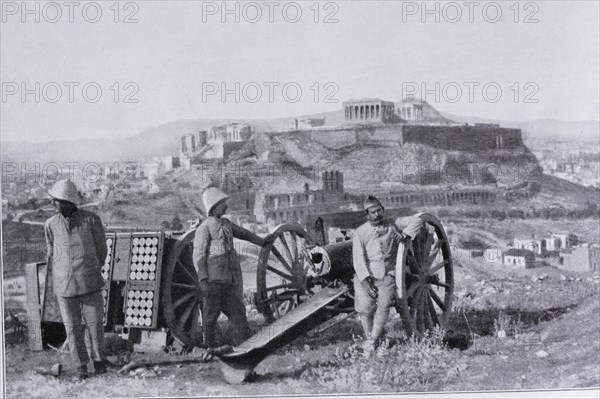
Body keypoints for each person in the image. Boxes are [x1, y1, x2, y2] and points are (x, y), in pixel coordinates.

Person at [193, 187, 272, 348]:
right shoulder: (204, 228)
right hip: (213, 282)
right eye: (223, 203)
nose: (226, 206)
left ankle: (247, 346)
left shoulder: (226, 224)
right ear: (215, 206)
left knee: (239, 313)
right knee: (210, 317)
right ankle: (210, 349)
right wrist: (203, 280)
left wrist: (262, 241)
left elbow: (244, 234)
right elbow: (199, 256)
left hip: (228, 281)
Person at [44, 179, 108, 379]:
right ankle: (81, 366)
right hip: (64, 286)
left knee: (95, 325)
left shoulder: (91, 220)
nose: (53, 204)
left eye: (56, 201)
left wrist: (91, 269)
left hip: (90, 283)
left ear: (67, 201)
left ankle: (99, 363)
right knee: (72, 329)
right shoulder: (50, 225)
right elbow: (51, 253)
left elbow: (102, 250)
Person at [352, 195, 422, 351]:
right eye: (373, 212)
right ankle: (373, 337)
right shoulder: (360, 232)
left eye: (379, 211)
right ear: (367, 215)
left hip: (388, 274)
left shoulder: (393, 224)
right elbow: (358, 259)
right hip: (367, 275)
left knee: (383, 305)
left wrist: (405, 236)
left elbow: (416, 220)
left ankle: (372, 341)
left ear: (383, 210)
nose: (377, 215)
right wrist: (365, 280)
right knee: (364, 308)